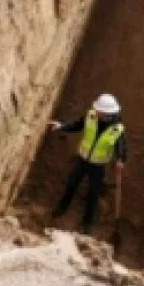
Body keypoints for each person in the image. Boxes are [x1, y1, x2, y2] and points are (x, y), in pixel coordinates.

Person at [46, 93, 127, 234]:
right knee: (71, 185)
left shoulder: (116, 129)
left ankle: (87, 224)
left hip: (97, 166)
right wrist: (61, 126)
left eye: (99, 110)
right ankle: (61, 208)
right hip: (82, 161)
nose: (96, 111)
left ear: (107, 113)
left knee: (93, 195)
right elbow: (77, 125)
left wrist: (120, 159)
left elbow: (121, 146)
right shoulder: (90, 116)